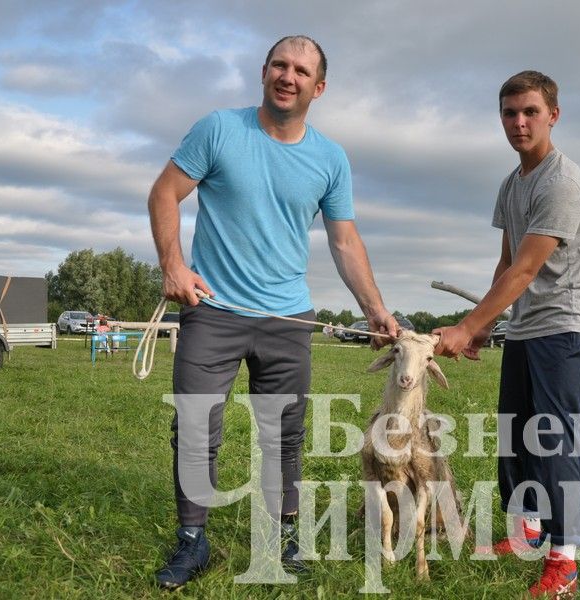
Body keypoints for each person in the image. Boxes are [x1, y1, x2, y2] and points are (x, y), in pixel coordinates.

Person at [147, 35, 398, 590]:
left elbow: (345, 241)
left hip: (288, 319)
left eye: (302, 71)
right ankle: (192, 542)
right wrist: (173, 264)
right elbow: (165, 193)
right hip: (212, 309)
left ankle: (283, 536)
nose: (289, 76)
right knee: (194, 427)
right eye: (280, 65)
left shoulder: (330, 158)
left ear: (319, 87)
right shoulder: (219, 129)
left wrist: (376, 309)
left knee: (283, 434)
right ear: (264, 72)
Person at [433, 71, 580, 599]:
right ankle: (526, 530)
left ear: (554, 114)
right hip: (526, 326)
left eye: (530, 111)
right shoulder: (513, 183)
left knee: (554, 438)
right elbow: (505, 262)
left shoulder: (562, 181)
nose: (519, 122)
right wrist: (484, 327)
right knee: (515, 433)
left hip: (566, 324)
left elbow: (528, 270)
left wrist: (466, 325)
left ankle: (565, 559)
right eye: (510, 113)